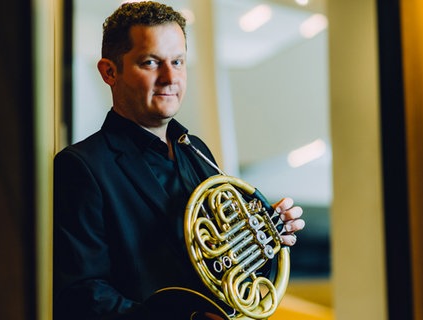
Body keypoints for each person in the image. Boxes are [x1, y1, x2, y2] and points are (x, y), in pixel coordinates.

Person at [53, 2, 305, 320]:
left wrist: (266, 237)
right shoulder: (81, 167)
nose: (170, 77)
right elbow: (81, 297)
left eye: (178, 61)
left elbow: (226, 269)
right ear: (110, 72)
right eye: (150, 63)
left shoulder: (196, 150)